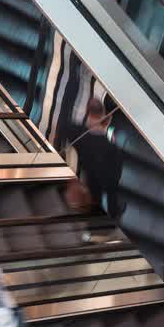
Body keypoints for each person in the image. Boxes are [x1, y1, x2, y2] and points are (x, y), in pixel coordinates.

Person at [69, 99, 125, 233]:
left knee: (95, 197)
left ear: (87, 112)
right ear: (103, 114)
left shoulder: (78, 132)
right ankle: (112, 217)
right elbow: (116, 170)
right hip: (103, 176)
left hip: (89, 174)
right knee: (110, 193)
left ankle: (94, 226)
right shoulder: (111, 147)